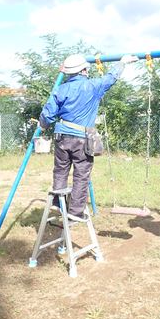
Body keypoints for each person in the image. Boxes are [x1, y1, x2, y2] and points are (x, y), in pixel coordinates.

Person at [39, 53, 138, 221]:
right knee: (81, 173)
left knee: (61, 169)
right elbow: (110, 78)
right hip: (81, 138)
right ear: (84, 70)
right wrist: (122, 63)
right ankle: (75, 212)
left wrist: (42, 125)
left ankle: (58, 201)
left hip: (61, 136)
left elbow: (48, 113)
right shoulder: (92, 86)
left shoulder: (60, 89)